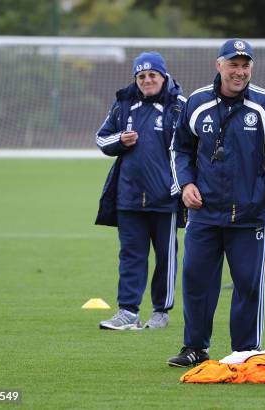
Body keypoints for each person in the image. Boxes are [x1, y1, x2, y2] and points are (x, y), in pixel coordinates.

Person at [167, 39, 265, 367]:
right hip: (203, 214)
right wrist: (186, 184)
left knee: (248, 286)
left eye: (245, 65)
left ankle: (245, 351)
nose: (240, 71)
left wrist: (260, 192)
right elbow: (179, 148)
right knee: (196, 281)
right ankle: (194, 347)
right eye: (233, 64)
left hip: (248, 215)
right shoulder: (196, 102)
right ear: (219, 65)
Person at [95, 51, 186, 330]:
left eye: (152, 75)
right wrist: (120, 140)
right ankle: (127, 311)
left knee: (165, 258)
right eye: (141, 76)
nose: (147, 80)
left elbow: (192, 148)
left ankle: (161, 311)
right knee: (130, 256)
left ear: (163, 76)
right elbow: (101, 138)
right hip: (128, 196)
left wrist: (182, 185)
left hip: (166, 197)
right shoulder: (123, 105)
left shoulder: (180, 106)